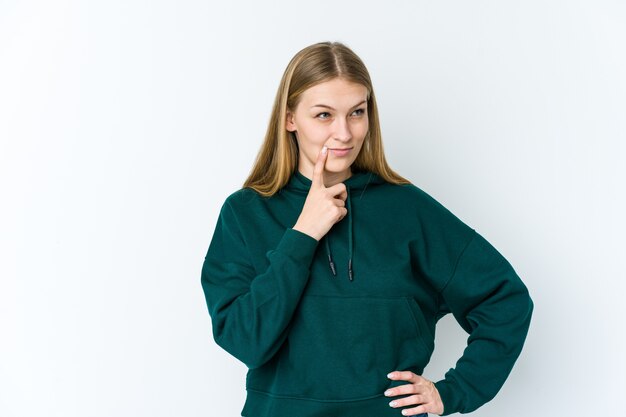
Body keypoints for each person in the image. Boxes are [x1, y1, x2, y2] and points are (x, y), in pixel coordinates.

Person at [200, 41, 533, 417]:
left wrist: (456, 390)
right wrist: (303, 234)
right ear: (290, 118)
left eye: (356, 112)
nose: (344, 133)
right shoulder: (246, 213)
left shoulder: (407, 209)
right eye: (324, 115)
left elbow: (504, 298)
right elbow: (246, 341)